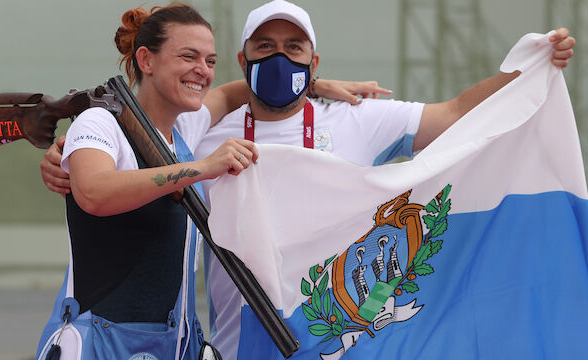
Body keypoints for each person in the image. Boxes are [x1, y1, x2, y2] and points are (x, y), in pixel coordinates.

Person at [40, 1, 576, 359]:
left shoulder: (356, 118)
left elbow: (456, 113)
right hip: (220, 342)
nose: (279, 59)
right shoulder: (201, 128)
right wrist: (71, 154)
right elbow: (106, 176)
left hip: (322, 339)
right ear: (244, 60)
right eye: (264, 48)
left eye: (293, 49)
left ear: (312, 59)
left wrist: (528, 69)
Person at [35, 4, 261, 360]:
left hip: (173, 344)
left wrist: (312, 81)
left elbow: (234, 94)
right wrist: (201, 168)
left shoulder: (185, 127)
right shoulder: (99, 122)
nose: (202, 71)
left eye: (211, 61)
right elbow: (94, 193)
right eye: (189, 56)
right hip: (98, 344)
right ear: (146, 60)